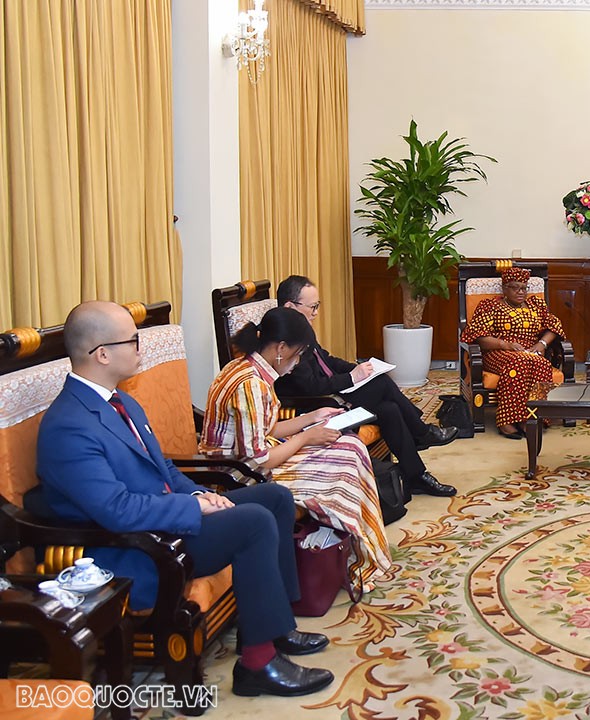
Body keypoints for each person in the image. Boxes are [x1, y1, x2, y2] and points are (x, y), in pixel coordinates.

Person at [35, 301, 334, 697]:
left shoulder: (121, 401)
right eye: (132, 340)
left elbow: (165, 472)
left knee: (275, 498)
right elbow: (116, 510)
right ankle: (257, 665)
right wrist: (192, 507)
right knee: (255, 523)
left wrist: (200, 494)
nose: (141, 348)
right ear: (102, 353)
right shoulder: (70, 425)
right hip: (135, 549)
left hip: (165, 523)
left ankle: (276, 629)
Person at [200, 307, 393, 592]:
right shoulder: (250, 384)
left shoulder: (248, 368)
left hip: (258, 458)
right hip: (240, 477)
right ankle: (350, 556)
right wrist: (306, 437)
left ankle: (351, 550)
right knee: (342, 464)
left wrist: (311, 418)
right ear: (280, 348)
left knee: (348, 446)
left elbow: (267, 430)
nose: (298, 361)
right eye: (298, 353)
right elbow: (260, 458)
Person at [275, 275, 457, 497]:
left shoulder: (302, 329)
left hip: (335, 394)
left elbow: (326, 361)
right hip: (318, 406)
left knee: (389, 408)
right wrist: (351, 378)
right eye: (312, 307)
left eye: (318, 306)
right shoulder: (284, 342)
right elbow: (311, 387)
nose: (316, 313)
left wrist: (360, 369)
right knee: (381, 385)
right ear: (289, 306)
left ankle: (416, 476)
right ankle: (422, 432)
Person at [459, 266, 567, 438]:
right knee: (518, 363)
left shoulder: (536, 305)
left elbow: (555, 326)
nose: (521, 292)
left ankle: (529, 418)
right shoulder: (490, 306)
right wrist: (506, 344)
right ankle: (507, 421)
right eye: (515, 287)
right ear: (505, 288)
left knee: (541, 363)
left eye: (524, 288)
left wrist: (542, 344)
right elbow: (478, 337)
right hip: (498, 352)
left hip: (531, 353)